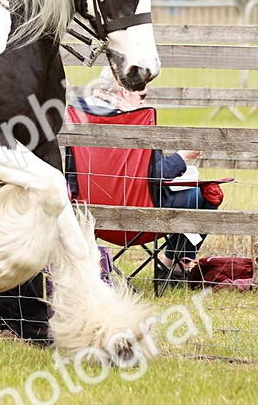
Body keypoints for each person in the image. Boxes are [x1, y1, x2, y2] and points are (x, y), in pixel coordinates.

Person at [66, 67, 217, 290]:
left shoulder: (79, 116)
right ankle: (172, 267)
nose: (142, 101)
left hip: (91, 215)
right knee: (208, 194)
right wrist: (181, 159)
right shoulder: (136, 119)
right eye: (141, 96)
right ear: (123, 92)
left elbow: (72, 176)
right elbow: (154, 177)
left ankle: (170, 266)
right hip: (144, 216)